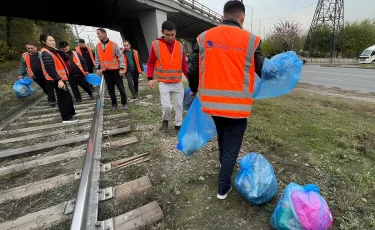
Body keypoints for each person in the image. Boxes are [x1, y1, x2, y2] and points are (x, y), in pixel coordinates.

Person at [188, 1, 265, 200]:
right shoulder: (251, 40)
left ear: (223, 16)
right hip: (238, 107)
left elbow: (194, 69)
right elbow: (262, 69)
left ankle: (223, 163)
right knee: (232, 147)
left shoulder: (204, 37)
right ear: (242, 18)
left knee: (222, 136)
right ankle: (223, 188)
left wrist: (194, 90)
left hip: (212, 105)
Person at [147, 21, 189, 131]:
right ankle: (165, 119)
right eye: (167, 35)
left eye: (173, 35)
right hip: (164, 83)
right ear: (162, 32)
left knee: (179, 106)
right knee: (167, 107)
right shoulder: (155, 45)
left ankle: (178, 125)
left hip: (177, 82)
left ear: (175, 33)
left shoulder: (180, 46)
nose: (170, 37)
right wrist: (150, 78)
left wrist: (191, 79)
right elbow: (150, 63)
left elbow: (184, 65)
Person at [39, 34, 78, 123]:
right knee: (63, 98)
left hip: (61, 78)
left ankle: (71, 113)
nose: (53, 42)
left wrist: (58, 50)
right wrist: (58, 80)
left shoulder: (53, 51)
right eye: (50, 41)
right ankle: (66, 118)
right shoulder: (46, 52)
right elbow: (50, 68)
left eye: (53, 40)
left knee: (67, 96)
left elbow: (66, 58)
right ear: (43, 42)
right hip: (56, 79)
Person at [95, 28, 128, 110]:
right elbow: (97, 58)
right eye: (97, 34)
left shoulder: (114, 44)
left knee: (121, 87)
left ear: (104, 34)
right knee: (110, 89)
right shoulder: (98, 46)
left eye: (99, 33)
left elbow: (120, 57)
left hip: (116, 70)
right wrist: (98, 68)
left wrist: (121, 68)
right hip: (106, 71)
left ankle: (124, 103)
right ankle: (114, 103)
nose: (97, 35)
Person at [18, 42, 56, 106]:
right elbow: (23, 66)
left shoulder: (41, 54)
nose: (30, 49)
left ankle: (51, 100)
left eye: (31, 48)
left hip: (45, 74)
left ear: (35, 47)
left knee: (49, 87)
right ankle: (52, 98)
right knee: (44, 88)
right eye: (28, 48)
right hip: (35, 76)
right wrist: (21, 74)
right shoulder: (24, 55)